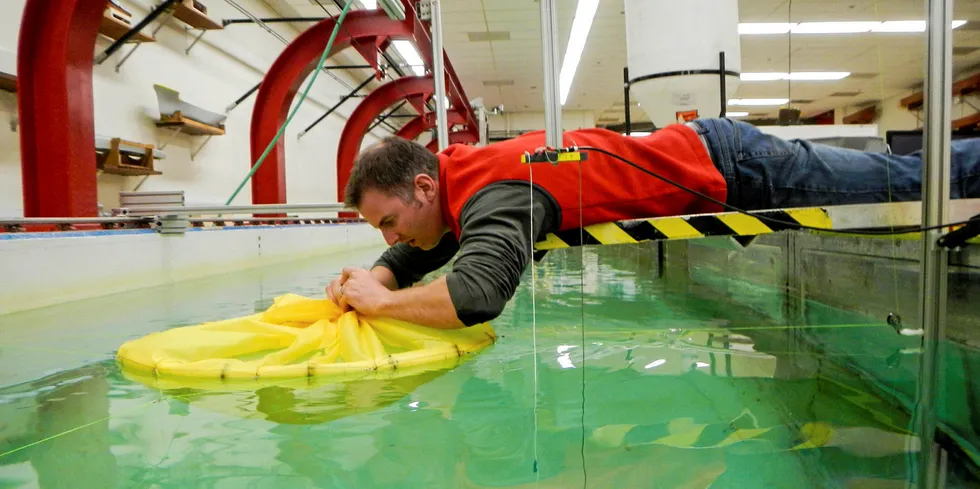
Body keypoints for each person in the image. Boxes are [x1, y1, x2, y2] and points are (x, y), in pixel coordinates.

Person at [326, 117, 980, 328]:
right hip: (713, 156)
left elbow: (476, 293)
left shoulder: (496, 191)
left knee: (909, 183)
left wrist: (382, 304)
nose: (389, 238)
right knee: (900, 185)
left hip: (731, 167)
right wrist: (378, 273)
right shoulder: (460, 176)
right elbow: (427, 242)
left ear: (422, 185)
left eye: (387, 222)